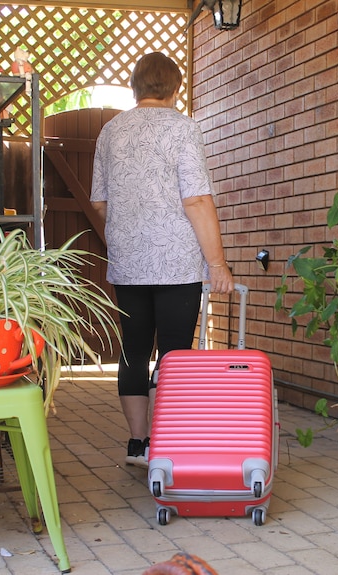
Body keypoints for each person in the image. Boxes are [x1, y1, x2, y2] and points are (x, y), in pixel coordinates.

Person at [91, 52, 235, 467]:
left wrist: (128, 235)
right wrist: (218, 263)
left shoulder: (110, 132)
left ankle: (138, 444)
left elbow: (99, 203)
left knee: (133, 352)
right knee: (174, 354)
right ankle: (169, 445)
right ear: (175, 87)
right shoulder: (183, 128)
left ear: (135, 86)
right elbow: (197, 199)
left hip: (129, 262)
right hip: (176, 261)